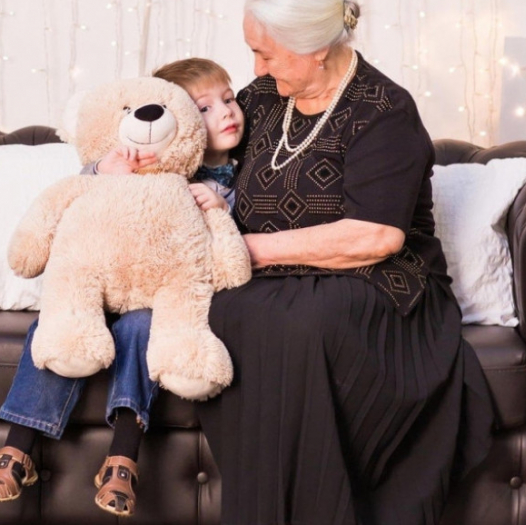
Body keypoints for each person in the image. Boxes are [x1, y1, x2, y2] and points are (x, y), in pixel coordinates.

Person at [188, 1, 495, 524]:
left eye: (266, 54)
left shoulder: (383, 110)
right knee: (229, 313)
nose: (256, 68)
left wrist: (244, 249)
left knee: (298, 324)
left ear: (316, 48)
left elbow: (376, 236)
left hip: (381, 283)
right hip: (271, 279)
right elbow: (185, 151)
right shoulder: (260, 98)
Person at [0, 57, 246, 519]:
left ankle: (122, 459)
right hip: (102, 286)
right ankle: (16, 449)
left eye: (229, 99)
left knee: (140, 328)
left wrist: (221, 203)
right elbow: (83, 193)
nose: (225, 113)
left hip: (161, 298)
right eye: (203, 108)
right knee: (58, 327)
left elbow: (229, 243)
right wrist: (104, 169)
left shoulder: (239, 175)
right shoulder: (134, 156)